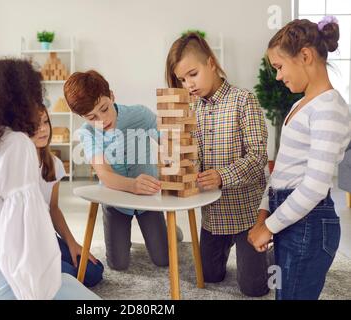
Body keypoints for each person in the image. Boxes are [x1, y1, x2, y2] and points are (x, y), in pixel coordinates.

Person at [0, 58, 100, 300]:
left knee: (67, 281)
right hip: (6, 276)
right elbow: (21, 237)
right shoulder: (17, 144)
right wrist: (36, 293)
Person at [248, 17, 351, 300]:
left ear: (305, 55)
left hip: (310, 225)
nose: (278, 76)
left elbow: (314, 188)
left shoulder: (329, 109)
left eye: (280, 67)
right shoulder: (300, 105)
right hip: (291, 216)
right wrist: (263, 214)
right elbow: (282, 171)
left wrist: (267, 227)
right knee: (284, 291)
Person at [165, 32, 269, 297]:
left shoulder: (243, 100)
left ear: (211, 63)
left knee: (254, 288)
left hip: (247, 213)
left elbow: (258, 157)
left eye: (193, 74)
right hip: (213, 216)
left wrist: (223, 176)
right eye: (182, 79)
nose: (188, 84)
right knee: (209, 277)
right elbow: (193, 158)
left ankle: (270, 245)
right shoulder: (192, 110)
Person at [64, 70, 172, 271]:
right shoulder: (88, 133)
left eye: (104, 109)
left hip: (148, 199)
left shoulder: (140, 114)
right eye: (91, 117)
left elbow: (166, 135)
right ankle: (123, 240)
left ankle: (173, 232)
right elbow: (104, 174)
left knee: (163, 259)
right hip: (115, 201)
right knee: (118, 264)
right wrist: (132, 185)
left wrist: (167, 155)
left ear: (112, 96)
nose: (102, 120)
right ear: (81, 117)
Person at [32, 104, 104, 287]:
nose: (42, 129)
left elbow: (53, 209)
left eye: (45, 122)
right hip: (25, 243)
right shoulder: (18, 165)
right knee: (70, 276)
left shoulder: (54, 164)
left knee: (94, 271)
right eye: (34, 125)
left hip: (46, 236)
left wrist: (72, 243)